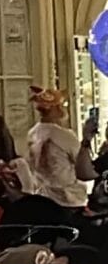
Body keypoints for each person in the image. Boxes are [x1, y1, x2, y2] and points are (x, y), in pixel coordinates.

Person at [20, 88, 93, 226]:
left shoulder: (32, 134)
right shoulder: (65, 136)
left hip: (42, 198)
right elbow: (83, 165)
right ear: (55, 108)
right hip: (68, 200)